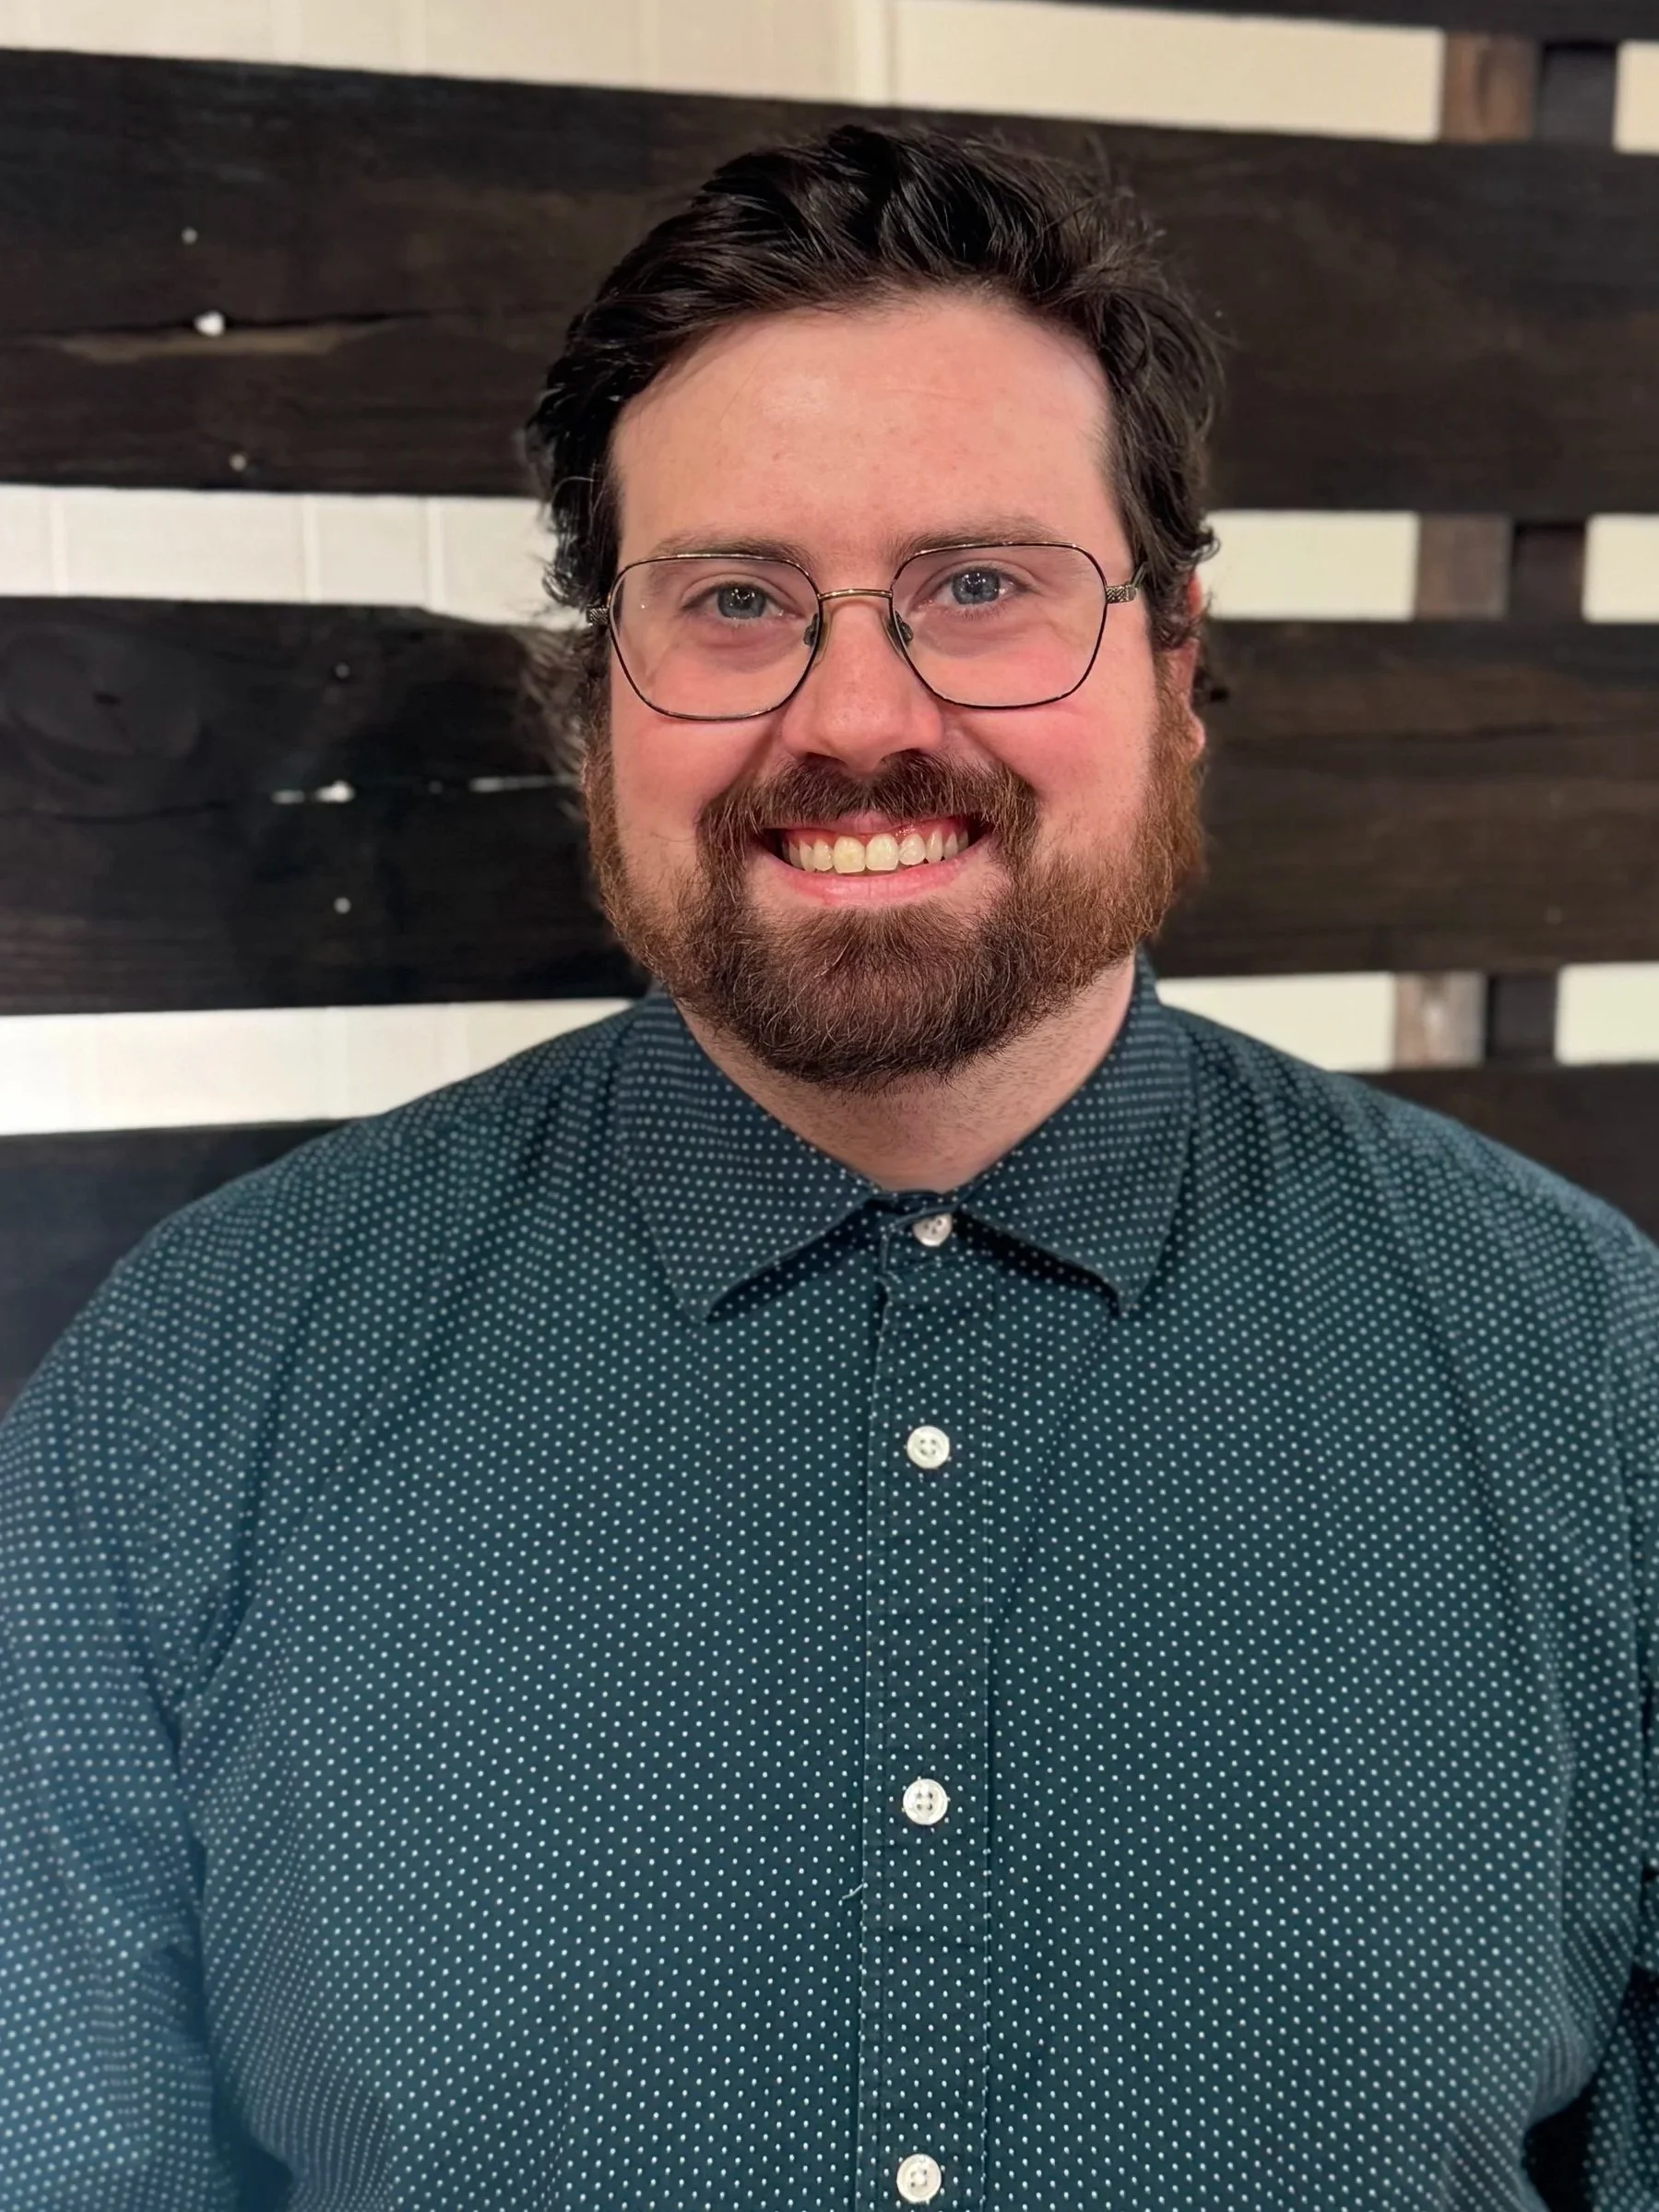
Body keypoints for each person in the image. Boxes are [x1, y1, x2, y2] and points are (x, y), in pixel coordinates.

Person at [2, 119, 1655, 2212]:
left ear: (1171, 659)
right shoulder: (195, 1394)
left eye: (979, 584)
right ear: (597, 696)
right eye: (733, 600)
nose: (852, 710)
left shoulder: (1591, 1383)